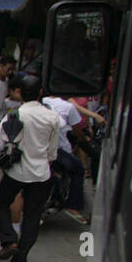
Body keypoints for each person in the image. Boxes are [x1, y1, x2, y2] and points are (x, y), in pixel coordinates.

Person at [0, 75, 62, 262]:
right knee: (33, 214)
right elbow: (53, 151)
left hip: (16, 171)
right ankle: (21, 256)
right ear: (40, 93)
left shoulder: (14, 116)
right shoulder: (52, 117)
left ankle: (9, 239)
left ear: (20, 93)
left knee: (1, 205)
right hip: (41, 172)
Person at [42, 94, 89, 224]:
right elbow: (77, 130)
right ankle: (73, 206)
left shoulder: (42, 101)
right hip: (57, 150)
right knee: (78, 169)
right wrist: (83, 139)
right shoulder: (69, 107)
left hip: (38, 150)